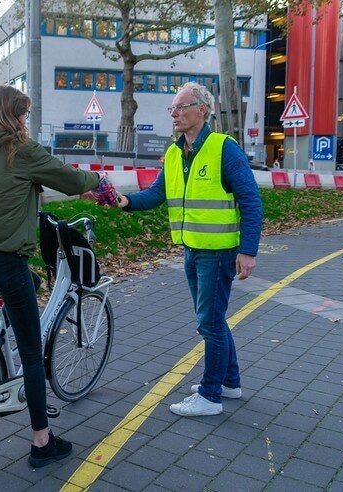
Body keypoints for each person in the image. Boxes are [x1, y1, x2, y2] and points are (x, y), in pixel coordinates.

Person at [0, 85, 100, 466]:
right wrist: (96, 182)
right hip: (3, 259)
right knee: (33, 354)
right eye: (22, 114)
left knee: (29, 286)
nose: (25, 121)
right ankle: (42, 442)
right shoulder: (17, 148)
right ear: (11, 116)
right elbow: (65, 177)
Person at [112, 82, 263, 416]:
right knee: (214, 320)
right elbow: (156, 194)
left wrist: (248, 250)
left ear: (202, 110)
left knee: (209, 324)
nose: (174, 114)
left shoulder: (225, 148)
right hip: (191, 249)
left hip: (219, 251)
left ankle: (210, 397)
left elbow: (252, 201)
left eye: (181, 107)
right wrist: (124, 202)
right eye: (172, 109)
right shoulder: (174, 152)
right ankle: (229, 382)